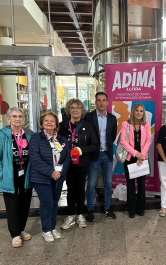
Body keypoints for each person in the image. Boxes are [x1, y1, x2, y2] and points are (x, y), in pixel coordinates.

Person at [0, 107, 34, 248]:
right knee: (12, 205)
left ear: (24, 119)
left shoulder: (30, 135)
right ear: (8, 119)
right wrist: (0, 174)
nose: (17, 119)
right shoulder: (2, 136)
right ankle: (15, 234)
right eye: (14, 116)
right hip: (9, 175)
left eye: (20, 116)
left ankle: (21, 229)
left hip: (26, 174)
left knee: (25, 204)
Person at [29, 112, 70, 242]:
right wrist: (51, 172)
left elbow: (67, 158)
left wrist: (60, 172)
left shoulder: (62, 139)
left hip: (58, 177)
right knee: (47, 203)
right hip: (41, 177)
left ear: (56, 124)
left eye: (52, 121)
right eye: (46, 120)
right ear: (42, 123)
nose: (49, 123)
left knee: (54, 203)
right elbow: (35, 159)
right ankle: (46, 230)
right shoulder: (36, 139)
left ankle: (52, 227)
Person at [58, 99, 99, 229]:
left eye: (78, 107)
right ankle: (70, 215)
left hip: (82, 162)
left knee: (81, 188)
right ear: (68, 110)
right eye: (72, 107)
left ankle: (80, 214)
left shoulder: (88, 125)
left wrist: (81, 150)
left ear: (82, 110)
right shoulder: (62, 126)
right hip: (67, 163)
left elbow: (95, 145)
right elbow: (57, 143)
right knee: (70, 189)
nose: (75, 110)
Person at [84, 92, 118, 221]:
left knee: (108, 183)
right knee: (91, 183)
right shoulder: (88, 117)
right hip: (94, 155)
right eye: (99, 100)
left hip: (107, 154)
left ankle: (107, 208)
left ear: (107, 102)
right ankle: (90, 210)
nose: (101, 103)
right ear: (96, 102)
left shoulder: (112, 118)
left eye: (104, 100)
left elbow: (113, 136)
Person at [119, 104, 152, 218]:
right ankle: (131, 209)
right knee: (131, 184)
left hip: (142, 158)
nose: (139, 113)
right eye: (137, 110)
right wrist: (135, 154)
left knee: (141, 184)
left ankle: (141, 208)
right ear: (133, 112)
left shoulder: (146, 125)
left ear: (143, 113)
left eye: (141, 111)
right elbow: (123, 141)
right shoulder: (125, 124)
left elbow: (148, 141)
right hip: (130, 158)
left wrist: (141, 156)